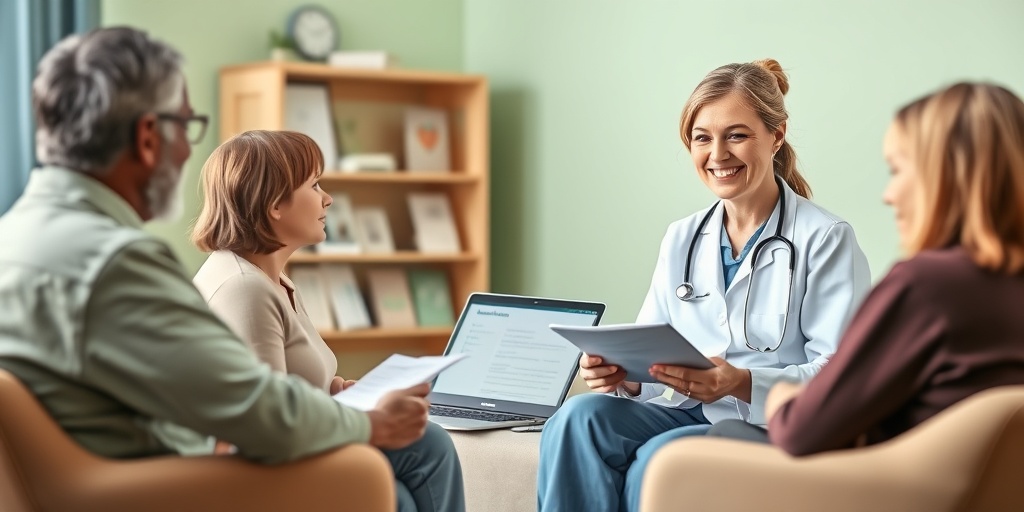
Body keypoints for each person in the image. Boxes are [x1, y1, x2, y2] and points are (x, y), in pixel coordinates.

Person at [0, 25, 435, 480]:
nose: (190, 150)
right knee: (399, 464)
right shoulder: (115, 263)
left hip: (98, 481)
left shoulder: (16, 236)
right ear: (149, 138)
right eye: (187, 126)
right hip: (160, 489)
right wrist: (368, 423)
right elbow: (256, 411)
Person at [537, 58, 872, 512]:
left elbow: (841, 379)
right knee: (576, 418)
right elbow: (652, 358)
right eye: (702, 138)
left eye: (737, 135)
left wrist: (742, 383)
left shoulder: (825, 238)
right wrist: (624, 378)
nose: (718, 155)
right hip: (690, 411)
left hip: (772, 422)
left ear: (777, 135)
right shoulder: (682, 237)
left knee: (658, 462)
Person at [732, 82, 1024, 456]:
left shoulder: (927, 287)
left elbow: (800, 431)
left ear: (944, 176)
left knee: (708, 442)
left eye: (898, 171)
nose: (889, 195)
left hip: (898, 491)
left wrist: (778, 398)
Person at [190, 129, 465, 512]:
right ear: (274, 205)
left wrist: (336, 390)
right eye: (314, 184)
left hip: (305, 442)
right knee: (414, 465)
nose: (328, 198)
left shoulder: (274, 278)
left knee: (421, 451)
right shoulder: (243, 289)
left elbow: (286, 380)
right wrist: (358, 414)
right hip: (268, 471)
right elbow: (264, 427)